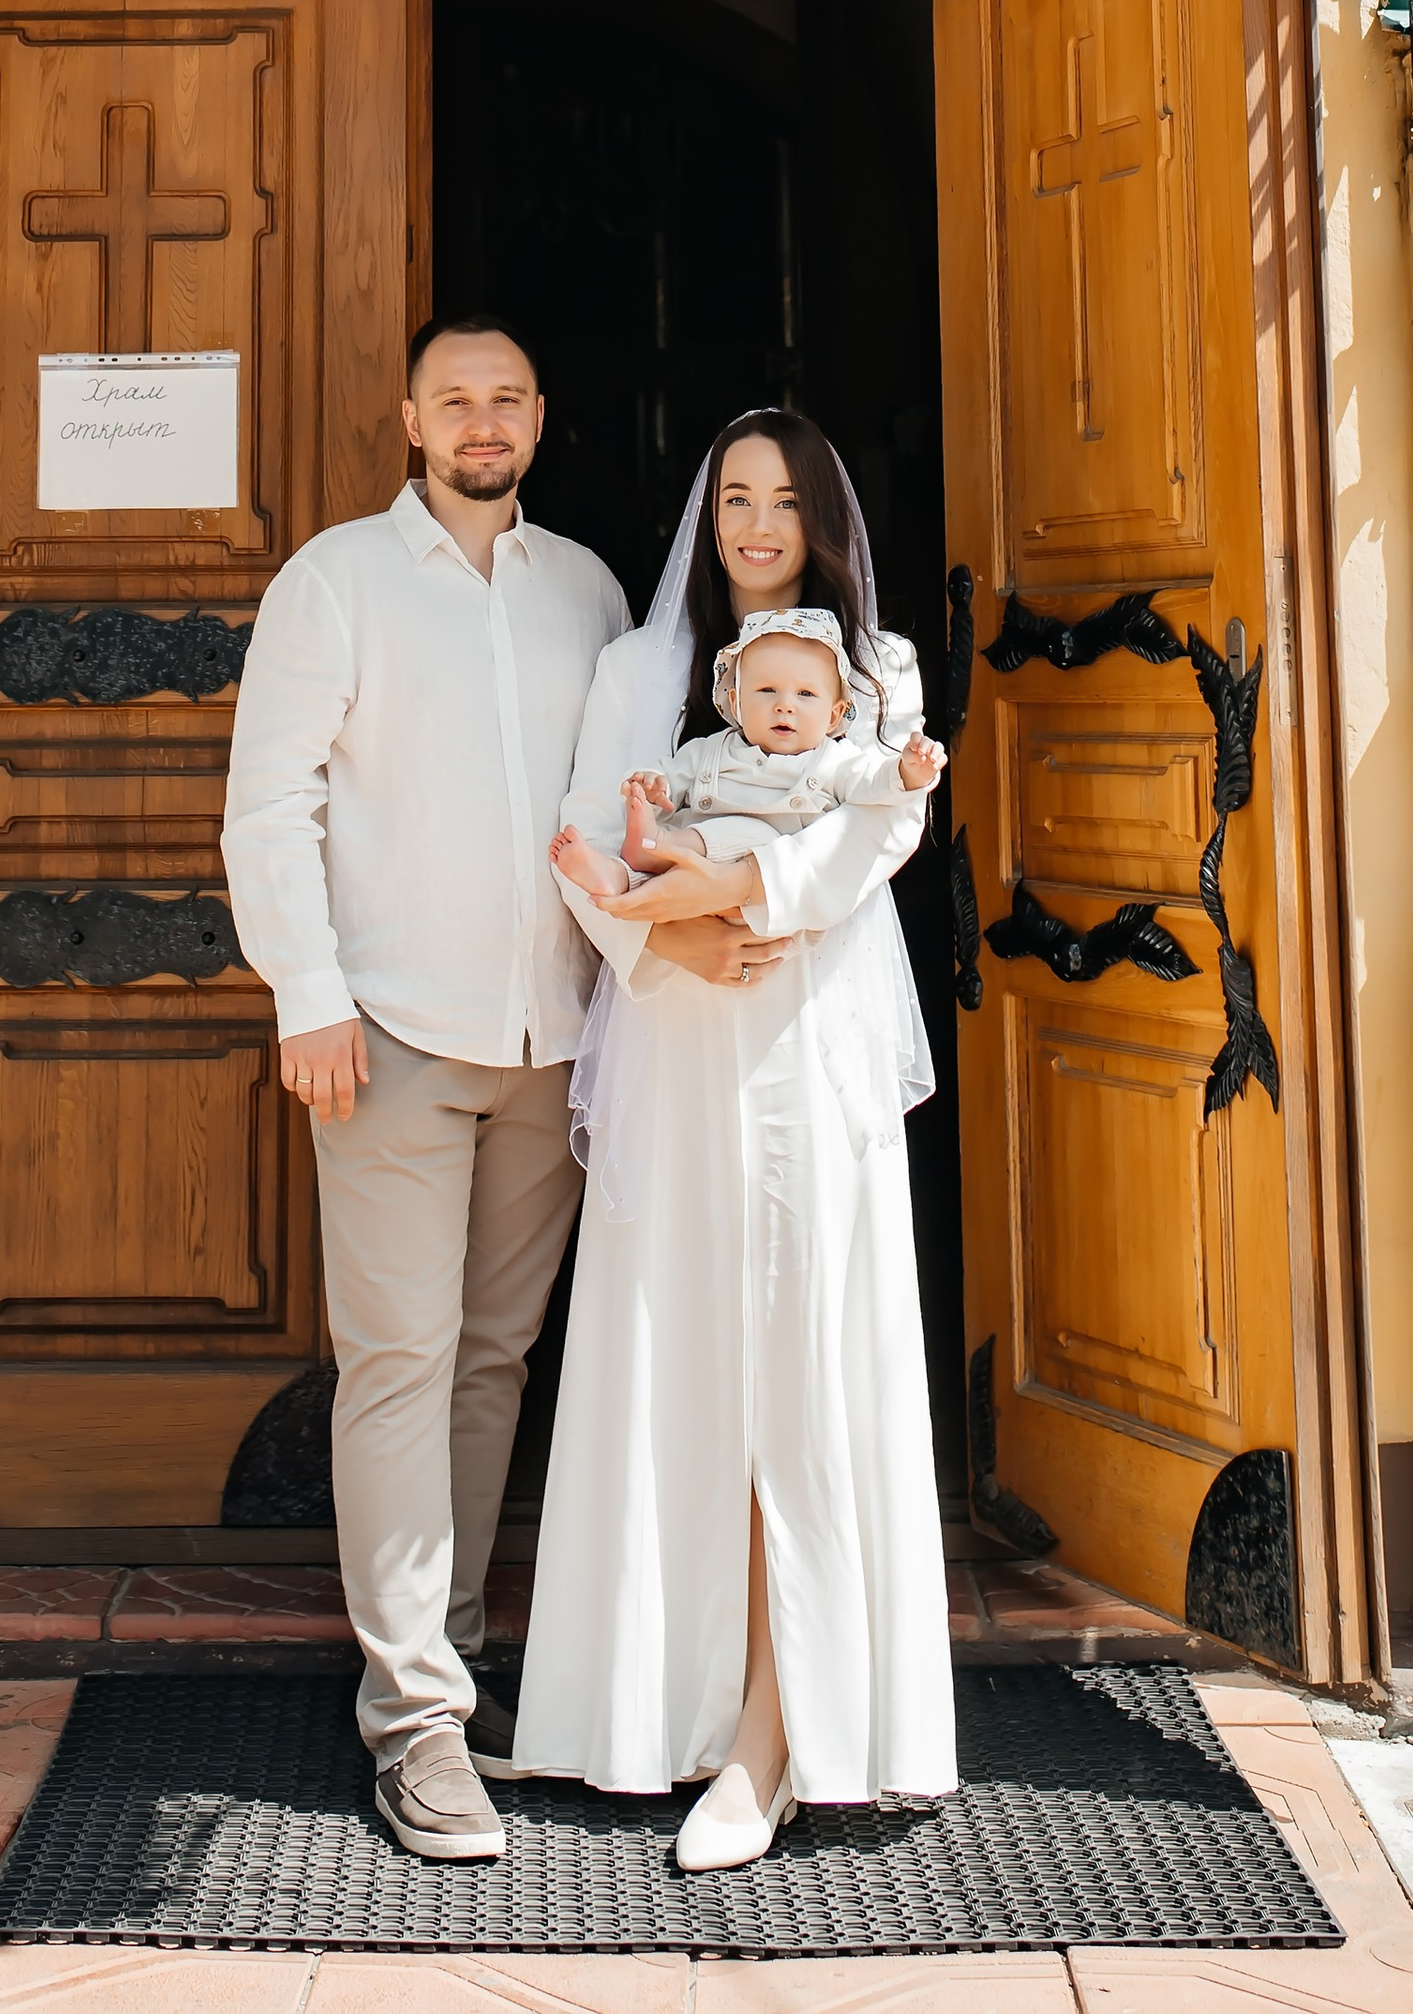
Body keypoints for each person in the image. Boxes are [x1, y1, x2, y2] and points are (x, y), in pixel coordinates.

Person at [513, 411, 960, 1866]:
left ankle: (780, 1732)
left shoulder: (873, 670)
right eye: (735, 500)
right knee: (682, 1352)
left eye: (785, 502)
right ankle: (656, 1708)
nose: (758, 526)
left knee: (805, 1359)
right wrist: (674, 952)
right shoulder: (641, 671)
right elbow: (586, 835)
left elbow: (871, 839)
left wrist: (743, 905)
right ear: (704, 518)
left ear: (825, 519)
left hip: (815, 1026)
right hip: (680, 1035)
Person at [220, 316, 627, 1864]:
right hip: (387, 1034)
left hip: (555, 1043)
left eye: (507, 396)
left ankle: (444, 1658)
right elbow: (270, 809)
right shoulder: (334, 580)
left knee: (494, 1362)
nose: (481, 418)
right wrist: (308, 997)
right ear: (407, 417)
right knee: (396, 1361)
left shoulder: (585, 589)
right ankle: (413, 1721)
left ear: (539, 417)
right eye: (455, 396)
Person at [549, 604, 942, 903]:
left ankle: (652, 848)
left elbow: (871, 783)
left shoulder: (831, 761)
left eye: (805, 695)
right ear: (735, 703)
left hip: (759, 873)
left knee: (747, 834)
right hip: (693, 867)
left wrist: (908, 772)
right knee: (669, 857)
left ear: (834, 715)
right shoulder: (710, 750)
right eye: (767, 691)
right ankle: (617, 876)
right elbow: (675, 776)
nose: (784, 705)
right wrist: (653, 787)